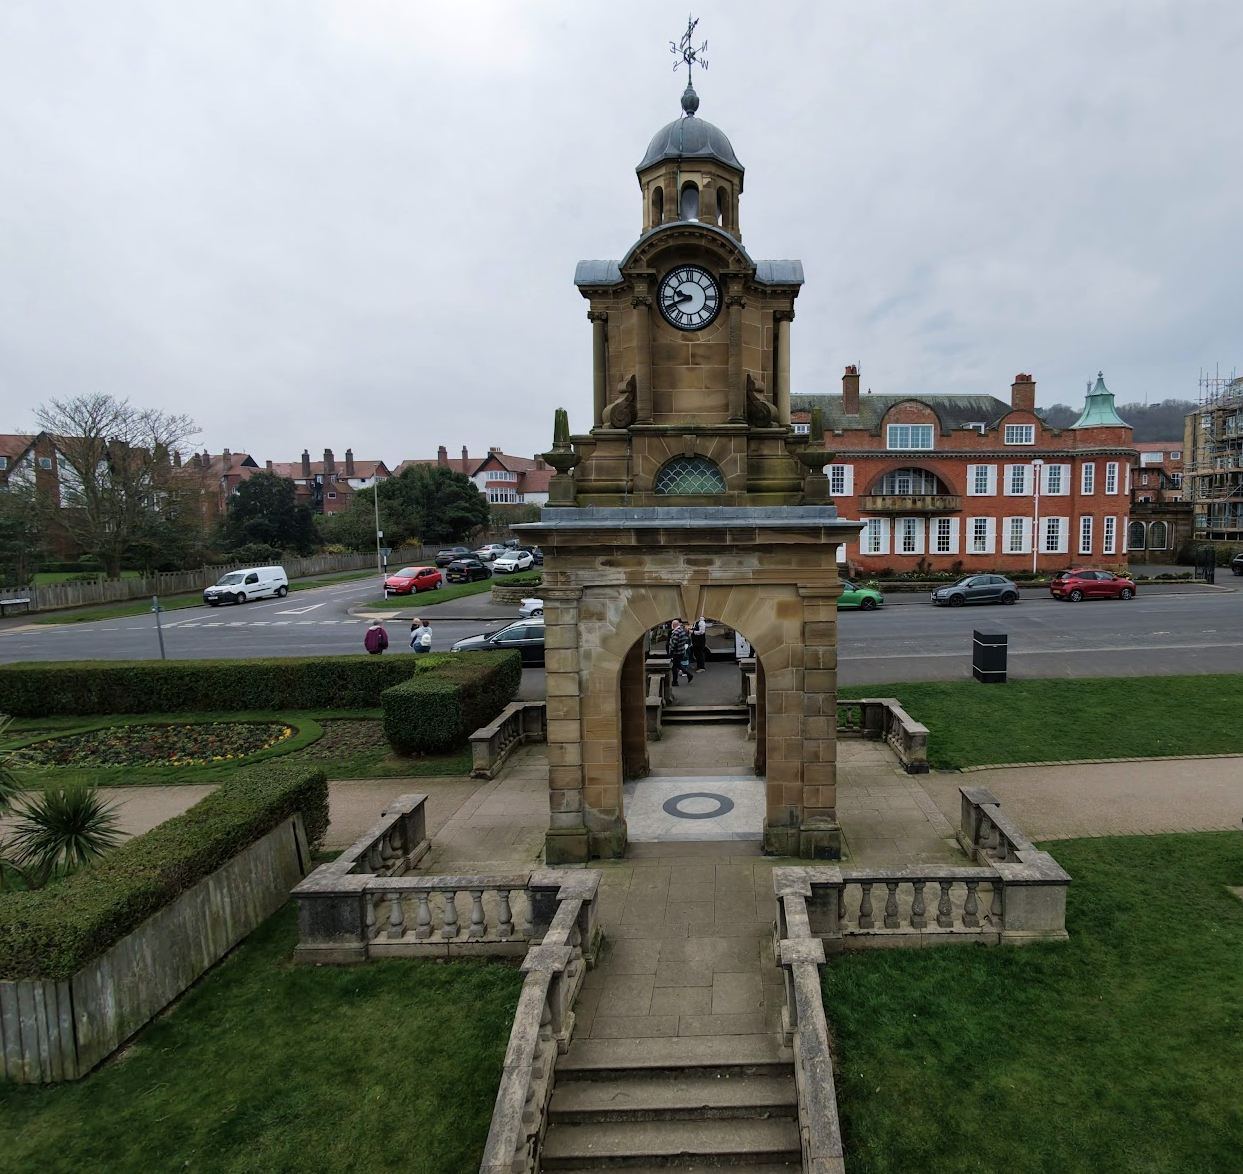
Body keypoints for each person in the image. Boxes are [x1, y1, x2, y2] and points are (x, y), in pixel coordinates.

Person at [666, 618, 693, 686]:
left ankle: (675, 681)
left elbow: (674, 643)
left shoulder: (676, 632)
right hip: (681, 651)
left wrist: (670, 650)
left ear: (673, 625)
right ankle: (689, 675)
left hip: (676, 652)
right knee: (678, 665)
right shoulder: (682, 630)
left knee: (674, 667)